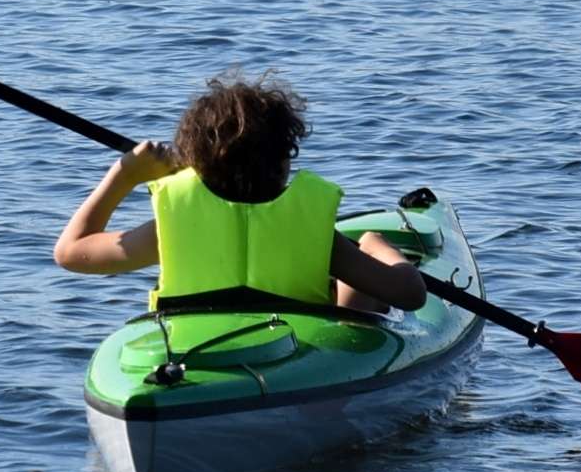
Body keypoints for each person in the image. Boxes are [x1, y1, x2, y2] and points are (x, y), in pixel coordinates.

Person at [51, 69, 424, 314]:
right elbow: (410, 294)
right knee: (355, 286)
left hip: (196, 353)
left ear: (195, 166)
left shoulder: (171, 231)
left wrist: (125, 174)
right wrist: (376, 245)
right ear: (283, 162)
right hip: (292, 356)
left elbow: (70, 252)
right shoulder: (313, 236)